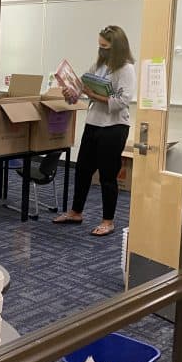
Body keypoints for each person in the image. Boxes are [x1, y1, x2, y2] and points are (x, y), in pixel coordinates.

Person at [54, 25, 136, 236]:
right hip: (93, 123)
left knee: (108, 176)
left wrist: (94, 94)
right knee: (82, 171)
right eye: (99, 46)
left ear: (117, 47)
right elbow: (80, 92)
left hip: (114, 127)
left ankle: (108, 220)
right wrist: (70, 93)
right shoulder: (99, 65)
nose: (101, 50)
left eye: (105, 46)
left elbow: (123, 101)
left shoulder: (126, 69)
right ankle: (75, 212)